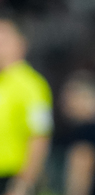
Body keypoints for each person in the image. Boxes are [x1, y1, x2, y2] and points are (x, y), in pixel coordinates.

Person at [0, 11, 53, 195]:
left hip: (11, 177)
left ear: (21, 44)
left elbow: (40, 135)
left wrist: (24, 183)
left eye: (5, 38)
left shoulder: (33, 86)